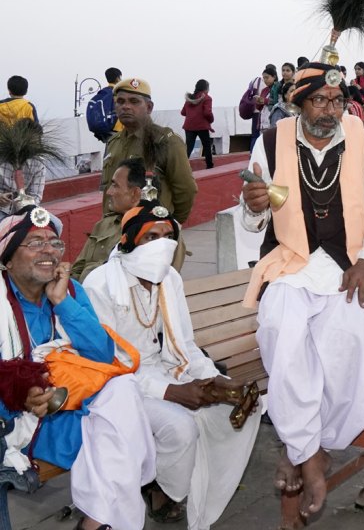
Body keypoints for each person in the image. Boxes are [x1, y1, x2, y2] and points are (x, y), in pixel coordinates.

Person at [240, 62, 364, 525]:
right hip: (291, 261)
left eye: (337, 101)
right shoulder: (270, 140)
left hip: (352, 263)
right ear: (298, 103)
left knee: (351, 340)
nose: (330, 110)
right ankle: (311, 457)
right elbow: (253, 217)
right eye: (319, 101)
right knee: (279, 330)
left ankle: (306, 446)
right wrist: (251, 208)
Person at [84, 199, 263, 529]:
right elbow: (110, 368)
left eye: (168, 236)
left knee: (242, 408)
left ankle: (183, 488)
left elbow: (187, 347)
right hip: (117, 387)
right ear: (129, 241)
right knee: (181, 426)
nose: (162, 245)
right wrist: (172, 392)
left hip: (165, 371)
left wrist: (213, 380)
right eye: (152, 237)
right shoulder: (100, 285)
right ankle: (157, 487)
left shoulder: (170, 280)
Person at [0, 205, 156, 530]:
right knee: (123, 440)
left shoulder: (70, 291)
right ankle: (97, 523)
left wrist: (63, 303)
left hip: (77, 411)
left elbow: (102, 355)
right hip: (21, 424)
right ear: (8, 258)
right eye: (35, 243)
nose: (49, 251)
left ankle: (97, 523)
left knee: (124, 392)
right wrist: (16, 394)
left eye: (54, 243)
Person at [101, 78, 197, 268]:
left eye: (134, 101)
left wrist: (168, 224)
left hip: (152, 238)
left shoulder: (166, 141)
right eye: (120, 102)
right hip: (117, 235)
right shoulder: (114, 143)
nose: (126, 107)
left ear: (149, 107)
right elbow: (107, 191)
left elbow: (186, 189)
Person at [71, 159, 145, 282]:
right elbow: (77, 268)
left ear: (135, 194)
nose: (109, 192)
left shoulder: (152, 231)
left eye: (115, 185)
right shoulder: (103, 225)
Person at [0, 119, 46, 216]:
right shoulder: (2, 158)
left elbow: (36, 197)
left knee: (56, 224)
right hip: (1, 210)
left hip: (26, 211)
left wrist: (25, 202)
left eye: (36, 142)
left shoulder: (38, 163)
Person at [181, 79, 215, 170]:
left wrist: (191, 114)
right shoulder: (207, 98)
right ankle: (209, 166)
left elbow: (183, 112)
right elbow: (207, 113)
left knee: (188, 147)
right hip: (202, 126)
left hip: (189, 126)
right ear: (206, 88)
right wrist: (211, 119)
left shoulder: (190, 99)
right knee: (207, 146)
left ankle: (181, 166)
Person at [85, 67, 124, 143]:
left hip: (106, 131)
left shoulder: (104, 93)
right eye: (120, 77)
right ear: (117, 78)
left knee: (110, 152)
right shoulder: (116, 93)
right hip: (117, 130)